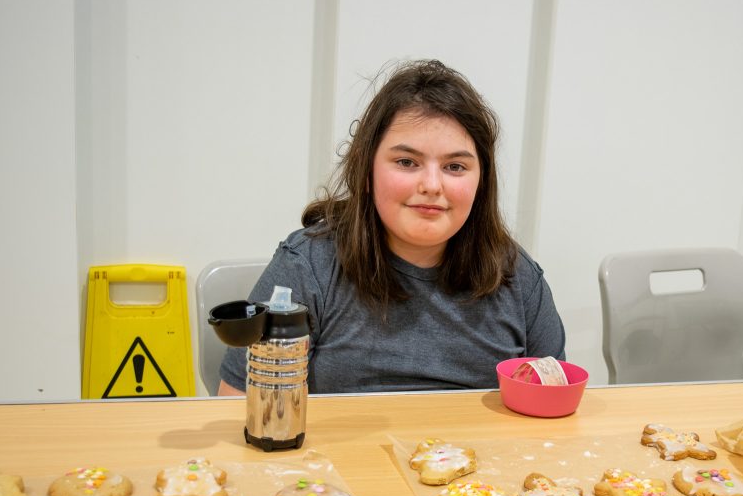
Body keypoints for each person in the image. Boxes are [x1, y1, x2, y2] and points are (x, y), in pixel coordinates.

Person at [218, 59, 565, 395]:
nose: (432, 185)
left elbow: (554, 411)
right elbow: (241, 409)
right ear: (366, 172)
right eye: (406, 162)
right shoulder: (308, 266)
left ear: (481, 182)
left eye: (455, 167)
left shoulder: (517, 277)